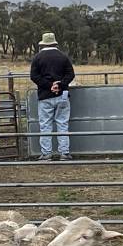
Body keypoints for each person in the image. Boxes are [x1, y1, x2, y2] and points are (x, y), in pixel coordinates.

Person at [30, 32, 75, 161]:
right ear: (55, 43)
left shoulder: (37, 58)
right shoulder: (63, 57)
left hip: (45, 96)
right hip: (62, 95)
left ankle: (46, 153)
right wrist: (60, 84)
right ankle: (64, 153)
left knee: (45, 124)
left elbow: (34, 76)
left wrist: (49, 85)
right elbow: (70, 74)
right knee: (62, 123)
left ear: (43, 44)